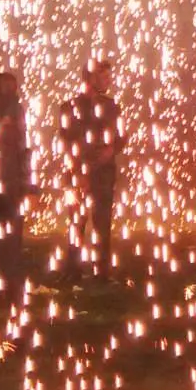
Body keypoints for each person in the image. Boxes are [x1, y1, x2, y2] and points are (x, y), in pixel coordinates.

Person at [58, 58, 126, 277]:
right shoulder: (70, 108)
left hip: (103, 174)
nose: (109, 80)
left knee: (102, 224)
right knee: (76, 222)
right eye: (104, 76)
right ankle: (73, 269)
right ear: (91, 77)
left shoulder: (111, 106)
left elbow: (121, 137)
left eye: (109, 75)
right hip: (77, 173)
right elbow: (68, 141)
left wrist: (111, 149)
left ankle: (101, 271)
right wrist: (79, 173)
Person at [0, 69, 32, 297]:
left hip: (7, 183)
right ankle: (6, 285)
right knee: (3, 239)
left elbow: (23, 148)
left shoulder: (13, 111)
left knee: (8, 240)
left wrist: (28, 185)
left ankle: (8, 285)